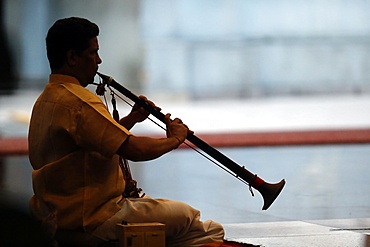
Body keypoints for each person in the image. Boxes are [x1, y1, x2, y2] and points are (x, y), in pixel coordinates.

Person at [28, 17, 224, 247]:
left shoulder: (47, 99)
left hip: (55, 219)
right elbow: (134, 149)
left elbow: (95, 139)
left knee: (162, 218)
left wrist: (132, 118)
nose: (99, 60)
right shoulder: (80, 101)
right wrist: (175, 139)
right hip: (93, 219)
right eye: (93, 53)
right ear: (72, 57)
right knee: (203, 228)